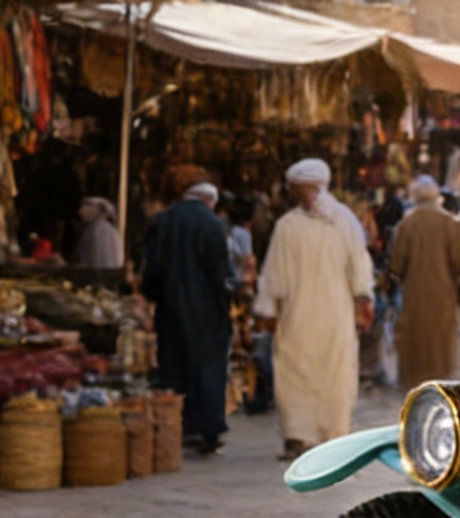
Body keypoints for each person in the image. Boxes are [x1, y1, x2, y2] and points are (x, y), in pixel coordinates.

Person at [254, 157, 375, 459]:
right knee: (296, 372)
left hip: (333, 313)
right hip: (302, 315)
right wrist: (269, 310)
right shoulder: (289, 226)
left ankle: (333, 435)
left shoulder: (342, 222)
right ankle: (299, 435)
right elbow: (275, 274)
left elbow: (358, 267)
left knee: (333, 374)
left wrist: (362, 300)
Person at [139, 169, 233, 455]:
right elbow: (221, 274)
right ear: (209, 201)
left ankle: (175, 427)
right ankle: (207, 429)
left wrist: (154, 296)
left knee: (173, 366)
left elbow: (151, 270)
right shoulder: (214, 225)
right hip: (207, 312)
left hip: (170, 309)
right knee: (207, 369)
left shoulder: (163, 221)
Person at [387, 177, 460, 389]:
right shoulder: (451, 223)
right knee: (440, 340)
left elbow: (396, 264)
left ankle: (413, 381)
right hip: (443, 294)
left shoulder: (407, 224)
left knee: (416, 339)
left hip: (414, 293)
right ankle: (440, 380)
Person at [70, 197, 123, 270]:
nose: (82, 211)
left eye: (89, 207)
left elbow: (96, 260)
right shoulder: (93, 228)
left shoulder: (100, 229)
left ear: (99, 210)